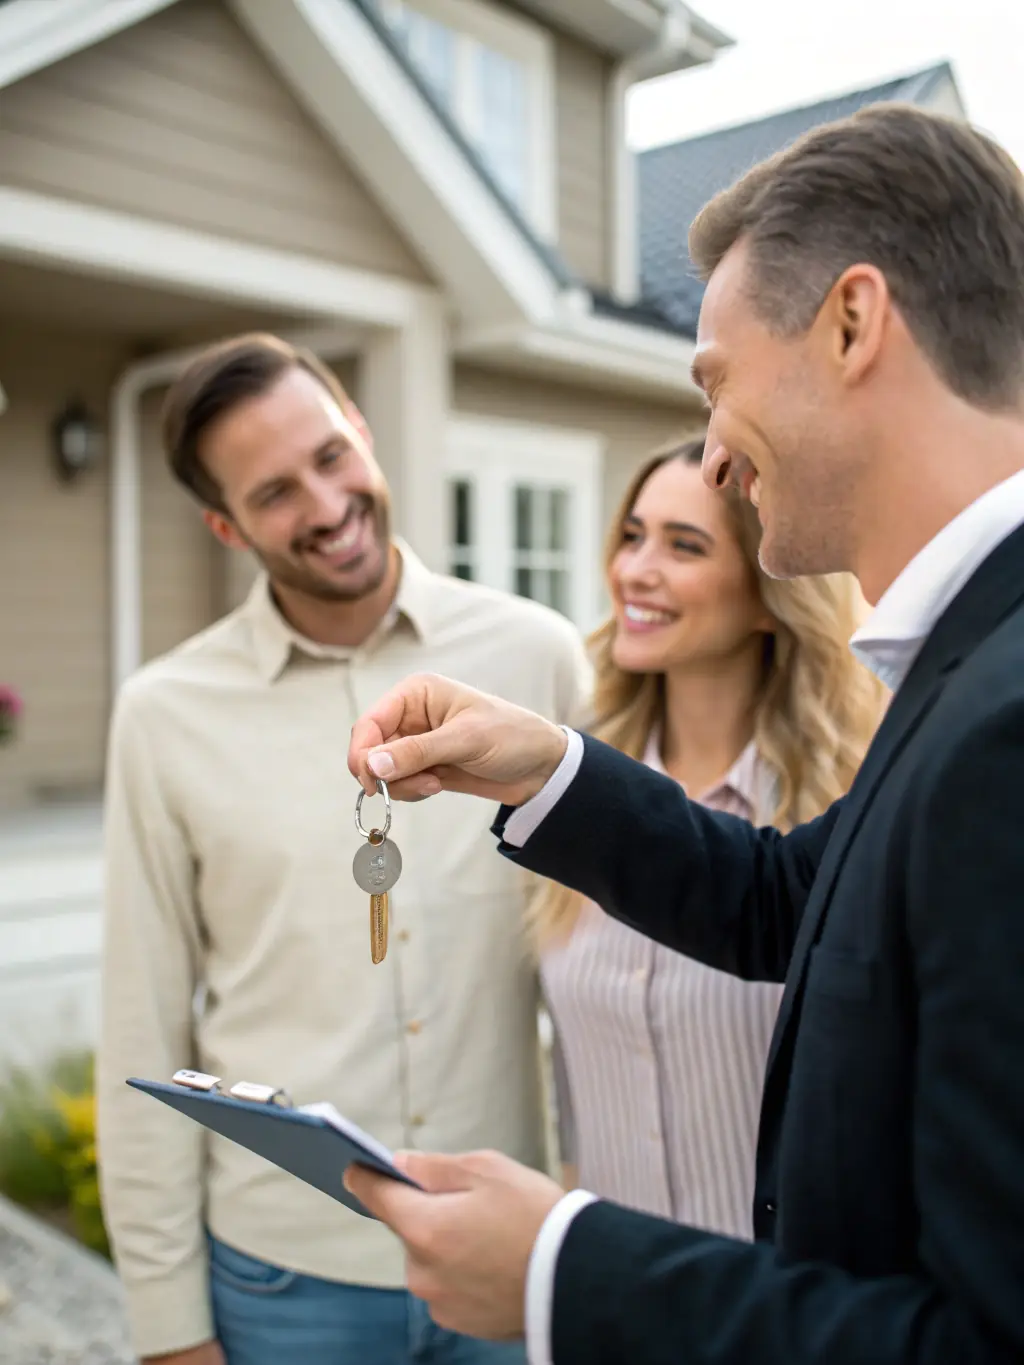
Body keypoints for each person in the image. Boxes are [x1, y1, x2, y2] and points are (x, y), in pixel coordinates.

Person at [344, 102, 1024, 1365]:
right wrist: (547, 766)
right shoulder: (970, 662)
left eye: (715, 382)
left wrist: (564, 1269)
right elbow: (789, 900)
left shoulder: (1006, 716)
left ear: (853, 323)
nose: (710, 456)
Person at [95, 333, 590, 1365]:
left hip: (507, 1253)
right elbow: (142, 1023)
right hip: (283, 1283)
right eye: (275, 493)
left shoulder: (536, 657)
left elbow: (607, 966)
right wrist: (168, 1325)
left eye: (330, 457)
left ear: (361, 432)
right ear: (225, 526)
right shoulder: (162, 715)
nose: (325, 506)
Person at [536, 437, 885, 1234]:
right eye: (632, 536)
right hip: (609, 1280)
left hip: (782, 1289)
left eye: (684, 545)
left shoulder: (848, 804)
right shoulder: (573, 799)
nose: (635, 569)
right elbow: (568, 1093)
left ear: (771, 586)